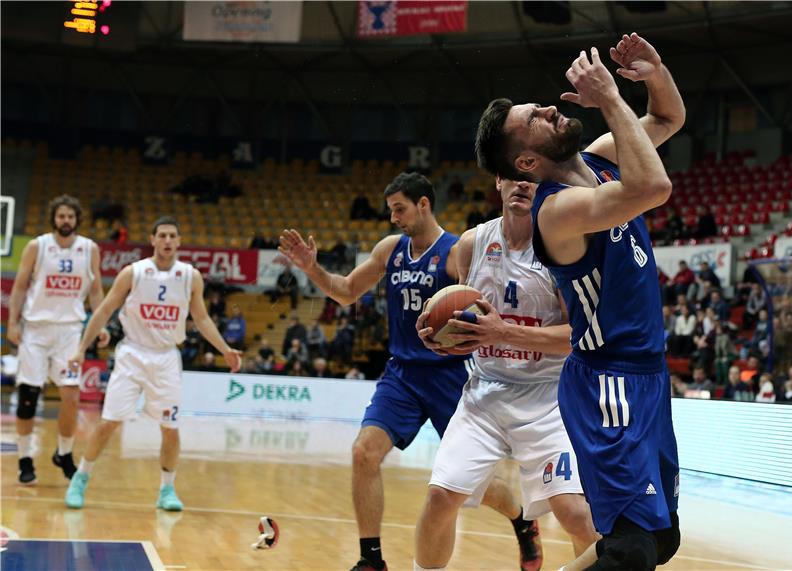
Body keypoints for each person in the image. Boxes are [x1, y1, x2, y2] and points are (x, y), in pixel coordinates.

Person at [475, 32, 684, 570]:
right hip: (605, 380)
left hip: (648, 375)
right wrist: (611, 98)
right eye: (534, 119)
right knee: (632, 550)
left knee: (659, 543)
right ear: (526, 162)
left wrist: (652, 73)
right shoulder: (555, 210)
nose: (548, 108)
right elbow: (653, 187)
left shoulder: (599, 158)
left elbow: (666, 121)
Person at [279, 172, 543, 571]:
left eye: (399, 209)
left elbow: (486, 309)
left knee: (467, 486)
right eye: (391, 211)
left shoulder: (458, 252)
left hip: (451, 376)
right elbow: (347, 290)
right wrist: (311, 268)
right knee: (363, 452)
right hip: (402, 373)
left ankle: (521, 517)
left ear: (424, 204)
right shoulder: (390, 250)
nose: (394, 218)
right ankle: (371, 560)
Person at [413, 176, 598, 571]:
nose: (522, 185)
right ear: (498, 181)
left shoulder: (562, 247)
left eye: (532, 178)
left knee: (575, 514)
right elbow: (460, 319)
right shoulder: (471, 244)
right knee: (440, 498)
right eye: (512, 175)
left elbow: (579, 337)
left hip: (549, 397)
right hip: (485, 393)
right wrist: (436, 335)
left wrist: (505, 332)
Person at [62, 216, 242, 511]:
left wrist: (224, 349)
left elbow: (202, 318)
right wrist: (82, 347)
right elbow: (106, 309)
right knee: (108, 423)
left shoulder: (190, 276)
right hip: (132, 354)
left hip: (167, 358)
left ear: (179, 241)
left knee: (170, 428)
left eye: (173, 235)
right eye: (162, 235)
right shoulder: (133, 273)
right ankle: (80, 479)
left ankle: (167, 490)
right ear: (153, 239)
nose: (168, 240)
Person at [7, 195, 110, 485]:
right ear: (54, 218)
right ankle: (25, 459)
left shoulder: (89, 249)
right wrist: (13, 323)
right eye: (61, 216)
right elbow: (18, 288)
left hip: (69, 333)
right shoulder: (37, 246)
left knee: (71, 396)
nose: (66, 221)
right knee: (28, 398)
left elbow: (96, 292)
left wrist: (100, 324)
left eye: (71, 217)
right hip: (36, 331)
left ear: (77, 220)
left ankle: (63, 454)